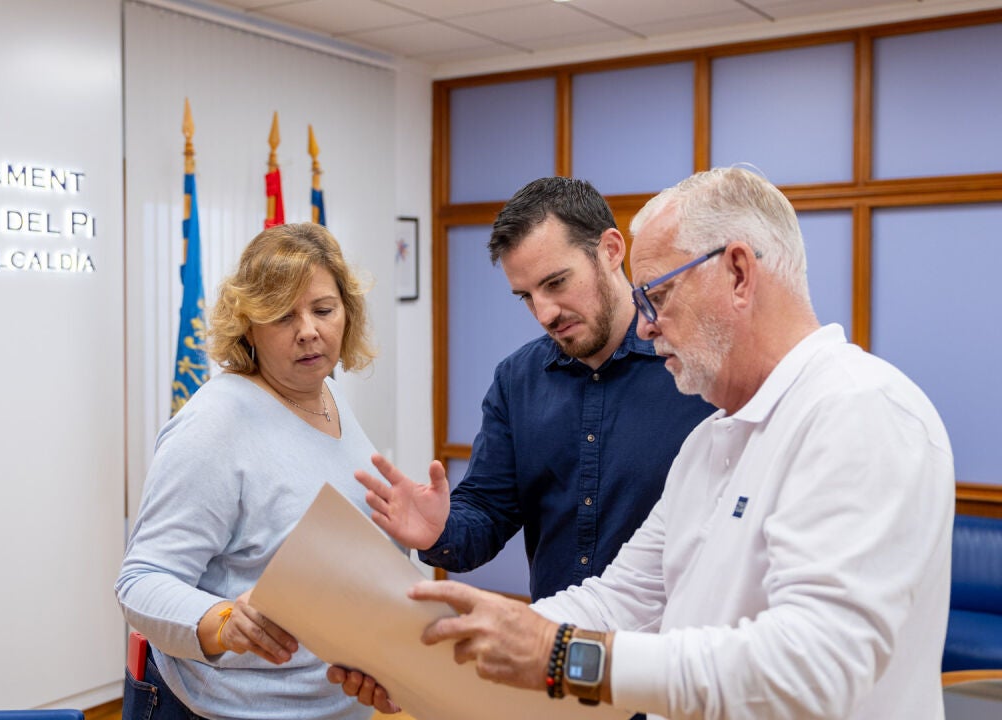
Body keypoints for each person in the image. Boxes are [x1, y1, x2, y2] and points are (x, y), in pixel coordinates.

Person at [344, 166, 956, 719]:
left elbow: (813, 669)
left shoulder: (861, 410)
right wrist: (434, 656)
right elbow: (621, 600)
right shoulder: (710, 442)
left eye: (658, 296)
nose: (645, 323)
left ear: (738, 273)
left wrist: (559, 657)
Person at [356, 177, 712, 601]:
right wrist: (439, 531)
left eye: (556, 283)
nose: (544, 314)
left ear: (611, 250)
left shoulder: (695, 366)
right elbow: (487, 512)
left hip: (671, 636)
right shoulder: (517, 380)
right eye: (525, 296)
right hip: (552, 634)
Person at [116, 222, 382, 720]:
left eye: (324, 310)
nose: (309, 330)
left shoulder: (326, 393)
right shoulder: (216, 423)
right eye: (283, 316)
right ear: (249, 326)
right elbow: (142, 580)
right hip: (223, 708)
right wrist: (222, 621)